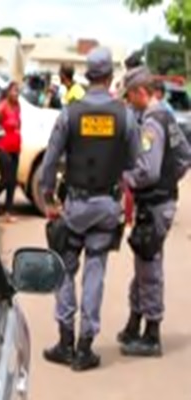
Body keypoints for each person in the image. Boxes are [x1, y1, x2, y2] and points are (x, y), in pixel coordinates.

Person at [39, 47, 141, 371]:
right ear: (109, 77)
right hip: (107, 206)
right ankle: (85, 348)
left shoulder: (70, 114)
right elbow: (135, 162)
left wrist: (47, 197)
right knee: (95, 271)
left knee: (66, 268)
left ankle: (65, 342)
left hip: (76, 206)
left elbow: (50, 160)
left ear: (88, 75)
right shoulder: (125, 116)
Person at [118, 66, 191, 357]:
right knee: (143, 263)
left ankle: (151, 334)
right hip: (162, 201)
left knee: (149, 268)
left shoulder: (151, 123)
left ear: (140, 92)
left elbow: (147, 172)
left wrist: (125, 178)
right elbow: (184, 156)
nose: (128, 101)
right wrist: (169, 180)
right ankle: (134, 322)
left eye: (130, 95)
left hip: (155, 205)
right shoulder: (166, 115)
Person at [0, 81, 22, 223]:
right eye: (14, 91)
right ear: (8, 92)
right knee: (6, 179)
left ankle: (8, 211)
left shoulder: (17, 107)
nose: (16, 94)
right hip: (2, 148)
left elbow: (18, 125)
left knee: (12, 182)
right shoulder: (1, 108)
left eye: (18, 91)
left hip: (15, 149)